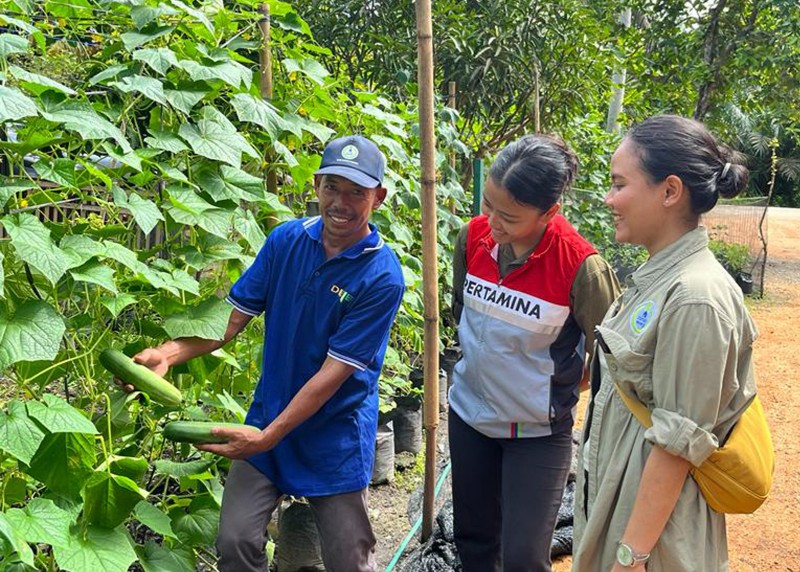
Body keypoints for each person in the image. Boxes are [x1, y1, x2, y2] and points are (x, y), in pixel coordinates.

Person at [132, 135, 405, 572]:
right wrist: (168, 353)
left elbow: (330, 377)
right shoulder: (285, 241)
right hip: (269, 414)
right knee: (235, 540)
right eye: (332, 186)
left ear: (379, 196)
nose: (341, 202)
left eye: (357, 191)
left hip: (334, 435)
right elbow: (231, 320)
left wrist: (265, 437)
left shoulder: (382, 276)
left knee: (348, 559)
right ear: (316, 185)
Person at [573, 115, 756, 571]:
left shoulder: (696, 297)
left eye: (619, 184)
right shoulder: (659, 279)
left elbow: (677, 446)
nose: (608, 198)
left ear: (670, 191)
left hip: (656, 547)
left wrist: (628, 558)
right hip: (621, 514)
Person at [448, 134, 621, 572]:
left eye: (509, 216)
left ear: (550, 212)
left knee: (525, 556)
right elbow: (461, 312)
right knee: (473, 541)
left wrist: (569, 383)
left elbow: (611, 356)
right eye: (488, 205)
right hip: (469, 417)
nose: (493, 223)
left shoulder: (581, 266)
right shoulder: (472, 239)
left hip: (537, 433)